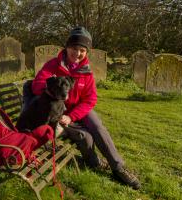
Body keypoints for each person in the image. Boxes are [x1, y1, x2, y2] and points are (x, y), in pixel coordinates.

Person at [32, 27, 141, 189]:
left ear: (86, 52)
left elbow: (90, 99)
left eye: (82, 50)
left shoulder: (86, 72)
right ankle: (94, 163)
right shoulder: (53, 65)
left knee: (96, 125)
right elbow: (37, 85)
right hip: (57, 111)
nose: (77, 53)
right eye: (74, 48)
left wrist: (72, 116)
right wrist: (54, 91)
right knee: (85, 136)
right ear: (67, 47)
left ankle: (118, 167)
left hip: (77, 112)